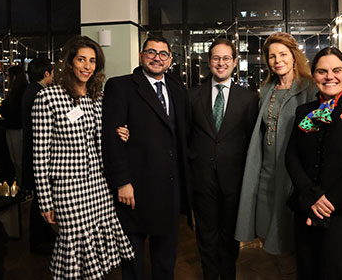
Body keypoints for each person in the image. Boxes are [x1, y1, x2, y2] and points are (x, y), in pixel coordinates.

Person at [32, 36, 134, 280]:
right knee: (74, 249)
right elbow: (39, 155)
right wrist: (45, 201)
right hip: (68, 187)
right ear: (69, 63)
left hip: (99, 184)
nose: (87, 66)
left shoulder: (97, 99)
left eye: (92, 61)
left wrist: (122, 135)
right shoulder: (48, 98)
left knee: (97, 252)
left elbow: (104, 142)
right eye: (81, 59)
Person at [102, 35, 192, 280]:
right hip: (136, 185)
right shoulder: (120, 86)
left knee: (166, 254)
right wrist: (122, 181)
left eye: (163, 54)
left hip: (169, 185)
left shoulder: (176, 88)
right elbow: (111, 139)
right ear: (141, 56)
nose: (157, 58)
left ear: (170, 59)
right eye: (151, 52)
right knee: (133, 254)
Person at [285, 47, 342, 280]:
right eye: (322, 71)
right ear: (314, 76)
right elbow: (292, 157)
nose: (330, 76)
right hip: (307, 205)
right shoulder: (306, 112)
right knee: (306, 272)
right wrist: (312, 196)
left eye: (336, 70)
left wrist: (327, 202)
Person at [235, 32, 315, 279]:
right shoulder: (266, 89)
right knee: (262, 230)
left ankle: (290, 274)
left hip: (291, 176)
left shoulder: (310, 88)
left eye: (282, 54)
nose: (277, 60)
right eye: (272, 56)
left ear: (294, 57)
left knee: (286, 238)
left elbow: (316, 133)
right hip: (264, 174)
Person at [188, 38, 257, 280]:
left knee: (229, 235)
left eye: (226, 58)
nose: (221, 63)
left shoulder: (248, 99)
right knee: (206, 235)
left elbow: (251, 141)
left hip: (234, 180)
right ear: (209, 62)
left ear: (235, 62)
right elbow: (186, 136)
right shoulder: (192, 95)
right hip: (202, 180)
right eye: (216, 58)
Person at [21, 58, 55, 253]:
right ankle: (38, 241)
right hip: (37, 154)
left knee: (39, 199)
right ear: (46, 74)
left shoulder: (31, 91)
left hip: (31, 151)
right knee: (39, 200)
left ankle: (44, 235)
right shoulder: (40, 94)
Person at [0, 65, 28, 186]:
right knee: (18, 160)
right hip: (17, 127)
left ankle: (23, 186)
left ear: (14, 77)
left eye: (8, 76)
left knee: (17, 160)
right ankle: (23, 186)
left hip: (16, 127)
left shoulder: (17, 92)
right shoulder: (24, 90)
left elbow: (7, 109)